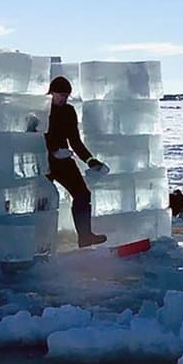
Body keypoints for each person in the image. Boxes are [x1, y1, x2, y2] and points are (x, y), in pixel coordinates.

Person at [44, 76, 108, 247]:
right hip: (43, 161)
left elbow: (75, 141)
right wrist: (52, 151)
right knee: (43, 200)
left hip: (63, 160)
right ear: (52, 93)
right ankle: (41, 242)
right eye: (61, 95)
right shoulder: (41, 109)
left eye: (66, 96)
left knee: (83, 194)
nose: (64, 99)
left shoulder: (69, 111)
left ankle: (85, 237)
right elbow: (34, 136)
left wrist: (90, 160)